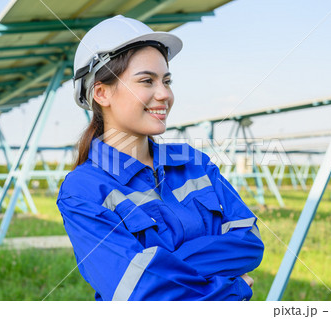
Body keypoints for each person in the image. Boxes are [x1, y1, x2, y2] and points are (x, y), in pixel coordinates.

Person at [57, 15, 264, 301]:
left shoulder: (195, 163)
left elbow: (249, 244)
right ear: (102, 93)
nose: (164, 94)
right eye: (147, 81)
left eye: (167, 80)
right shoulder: (83, 191)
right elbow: (139, 291)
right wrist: (232, 290)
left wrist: (163, 266)